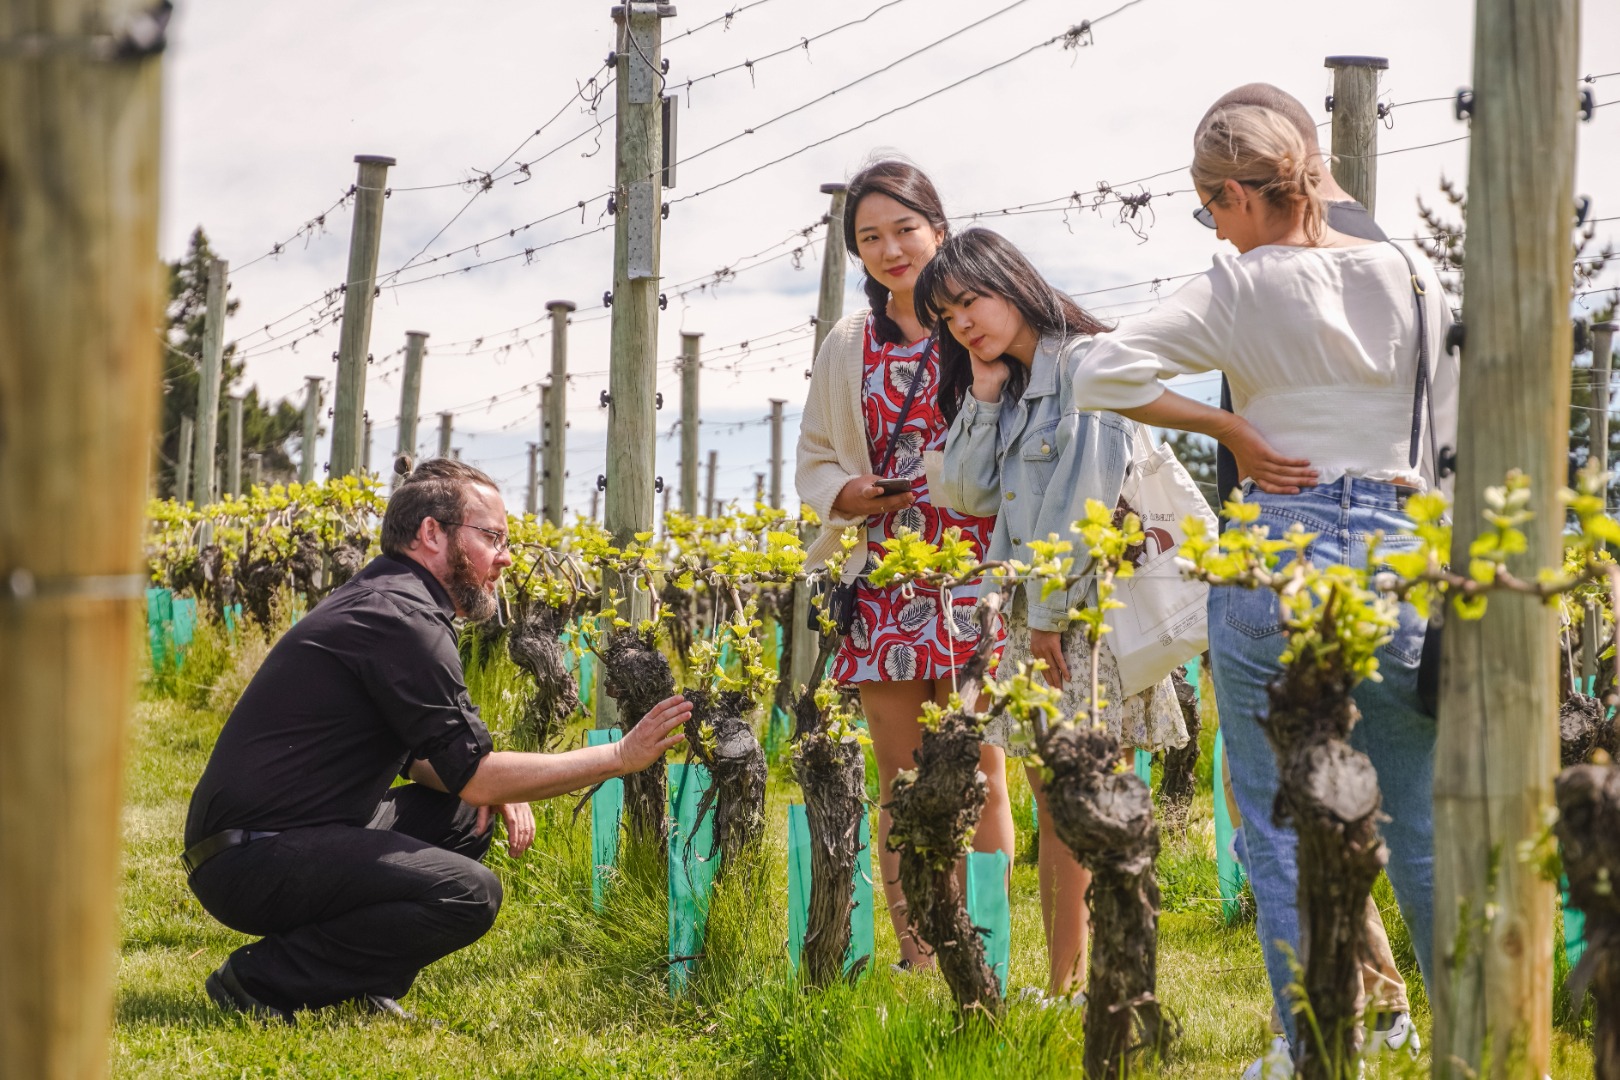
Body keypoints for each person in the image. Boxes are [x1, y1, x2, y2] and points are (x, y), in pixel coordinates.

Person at [1072, 103, 1455, 1071]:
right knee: (1419, 810)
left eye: (1215, 211)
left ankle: (1316, 1049)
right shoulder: (1416, 275)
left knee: (1278, 820)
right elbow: (1446, 430)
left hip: (1277, 549)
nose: (1218, 231)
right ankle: (1482, 1035)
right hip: (1399, 547)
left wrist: (1233, 431)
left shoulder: (1240, 288)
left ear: (1238, 194)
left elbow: (1101, 371)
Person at [183, 458, 689, 1022]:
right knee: (469, 892)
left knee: (458, 817)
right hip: (254, 856)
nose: (506, 557)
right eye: (492, 536)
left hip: (266, 839)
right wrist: (620, 756)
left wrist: (492, 784)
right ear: (431, 534)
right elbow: (474, 773)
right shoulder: (401, 619)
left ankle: (359, 979)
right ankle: (259, 982)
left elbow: (435, 764)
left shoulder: (390, 600)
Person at [1198, 84, 1421, 1068]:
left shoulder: (1322, 265)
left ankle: (1339, 1029)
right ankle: (1380, 1016)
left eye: (1219, 203)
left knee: (1302, 809)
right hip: (1345, 559)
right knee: (1346, 806)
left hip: (1307, 563)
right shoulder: (1366, 258)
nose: (1219, 229)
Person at [927, 228, 1188, 1003]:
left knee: (1082, 803)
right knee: (1060, 803)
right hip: (1039, 615)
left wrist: (1044, 619)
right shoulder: (1011, 387)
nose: (962, 323)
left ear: (1013, 282)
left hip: (1075, 618)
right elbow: (970, 494)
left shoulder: (1080, 371)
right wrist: (977, 392)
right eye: (947, 316)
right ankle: (1072, 982)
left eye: (971, 300)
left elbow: (1083, 507)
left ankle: (1095, 983)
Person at [795, 159, 1015, 970]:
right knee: (900, 779)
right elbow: (815, 455)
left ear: (940, 228)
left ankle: (986, 952)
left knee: (976, 770)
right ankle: (919, 952)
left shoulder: (980, 321)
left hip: (974, 575)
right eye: (869, 238)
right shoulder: (848, 344)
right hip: (884, 578)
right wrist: (846, 493)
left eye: (903, 230)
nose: (889, 249)